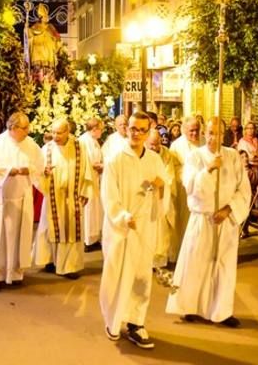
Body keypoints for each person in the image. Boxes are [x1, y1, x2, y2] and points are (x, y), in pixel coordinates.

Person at [166, 117, 251, 327]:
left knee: (223, 266)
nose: (215, 138)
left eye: (219, 133)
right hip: (203, 219)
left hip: (225, 221)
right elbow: (190, 185)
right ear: (206, 133)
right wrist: (209, 169)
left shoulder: (232, 157)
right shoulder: (195, 157)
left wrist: (229, 209)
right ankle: (190, 307)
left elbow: (244, 189)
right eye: (211, 133)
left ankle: (221, 311)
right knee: (196, 264)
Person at [99, 112, 169, 349]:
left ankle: (136, 322)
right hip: (121, 229)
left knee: (141, 276)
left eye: (141, 129)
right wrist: (122, 216)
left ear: (149, 131)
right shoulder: (115, 160)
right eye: (132, 128)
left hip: (144, 228)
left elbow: (163, 192)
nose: (136, 133)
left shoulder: (154, 161)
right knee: (118, 275)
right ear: (126, 129)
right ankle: (113, 318)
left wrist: (160, 189)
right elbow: (109, 195)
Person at [0, 113, 45, 292]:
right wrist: (8, 171)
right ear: (13, 128)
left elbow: (39, 166)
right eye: (24, 128)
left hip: (21, 199)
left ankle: (14, 273)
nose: (27, 131)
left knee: (18, 238)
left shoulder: (31, 145)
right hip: (0, 200)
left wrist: (28, 170)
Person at [34, 118, 91, 279]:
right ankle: (50, 260)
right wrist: (44, 173)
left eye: (59, 132)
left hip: (73, 197)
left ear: (68, 132)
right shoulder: (47, 149)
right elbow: (38, 171)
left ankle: (70, 266)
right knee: (49, 228)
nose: (55, 136)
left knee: (72, 231)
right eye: (53, 132)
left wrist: (86, 191)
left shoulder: (80, 148)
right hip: (53, 196)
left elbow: (87, 171)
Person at [169, 116, 202, 260]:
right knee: (185, 221)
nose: (194, 134)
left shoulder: (205, 142)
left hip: (203, 190)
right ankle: (184, 255)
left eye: (197, 130)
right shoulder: (176, 146)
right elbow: (174, 168)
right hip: (185, 189)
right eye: (191, 131)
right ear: (184, 130)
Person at [145, 128, 177, 267]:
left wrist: (161, 186)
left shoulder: (166, 154)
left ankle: (160, 261)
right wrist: (149, 186)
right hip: (146, 199)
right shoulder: (142, 154)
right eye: (151, 144)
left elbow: (170, 176)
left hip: (162, 197)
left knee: (162, 231)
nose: (154, 147)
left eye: (156, 144)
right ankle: (147, 261)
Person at [79, 117, 105, 252]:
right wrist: (96, 166)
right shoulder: (84, 141)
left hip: (95, 177)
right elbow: (84, 161)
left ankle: (93, 238)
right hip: (88, 179)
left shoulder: (93, 140)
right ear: (94, 129)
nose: (102, 132)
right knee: (88, 210)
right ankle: (87, 240)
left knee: (95, 209)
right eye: (101, 129)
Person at [237, 122, 258, 187]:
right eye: (248, 128)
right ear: (245, 130)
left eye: (252, 128)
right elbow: (249, 157)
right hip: (248, 169)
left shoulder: (256, 140)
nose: (250, 130)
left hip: (257, 168)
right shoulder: (242, 141)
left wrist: (257, 154)